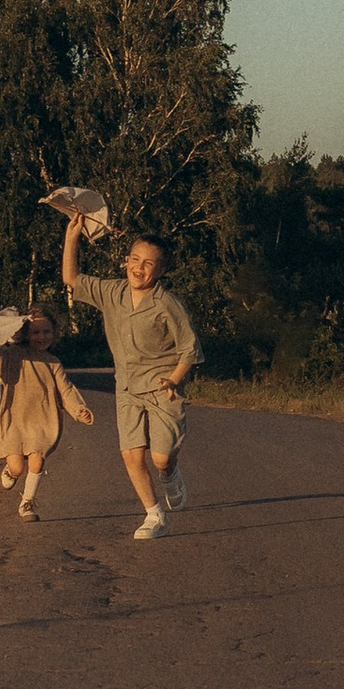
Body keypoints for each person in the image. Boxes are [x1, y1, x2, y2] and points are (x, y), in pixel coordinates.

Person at [59, 212, 197, 540]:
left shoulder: (168, 305)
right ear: (126, 261)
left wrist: (174, 379)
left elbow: (190, 350)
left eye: (149, 263)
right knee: (131, 453)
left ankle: (170, 473)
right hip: (127, 387)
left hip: (164, 388)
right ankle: (154, 515)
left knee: (160, 458)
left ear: (161, 270)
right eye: (135, 259)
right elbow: (72, 279)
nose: (139, 267)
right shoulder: (113, 293)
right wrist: (72, 237)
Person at [0, 306, 94, 519]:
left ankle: (27, 503)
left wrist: (79, 409)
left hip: (42, 419)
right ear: (25, 333)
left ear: (53, 333)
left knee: (37, 460)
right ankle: (10, 471)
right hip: (14, 418)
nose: (41, 337)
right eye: (35, 332)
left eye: (46, 332)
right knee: (17, 468)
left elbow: (66, 389)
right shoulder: (12, 355)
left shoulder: (53, 362)